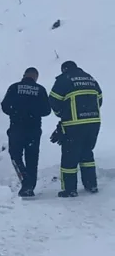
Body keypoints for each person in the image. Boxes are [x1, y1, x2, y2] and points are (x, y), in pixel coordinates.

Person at [49, 61, 103, 197]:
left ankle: (70, 189)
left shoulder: (64, 80)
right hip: (94, 123)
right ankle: (91, 185)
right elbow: (100, 99)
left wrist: (62, 114)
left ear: (64, 69)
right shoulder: (90, 78)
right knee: (87, 153)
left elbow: (54, 101)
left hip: (74, 124)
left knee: (69, 155)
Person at [0, 67, 52, 197]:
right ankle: (30, 187)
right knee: (32, 158)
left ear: (24, 75)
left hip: (17, 128)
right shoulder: (40, 90)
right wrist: (34, 112)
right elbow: (47, 111)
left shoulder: (14, 87)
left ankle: (25, 181)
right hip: (34, 129)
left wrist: (16, 111)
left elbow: (5, 106)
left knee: (15, 155)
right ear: (36, 77)